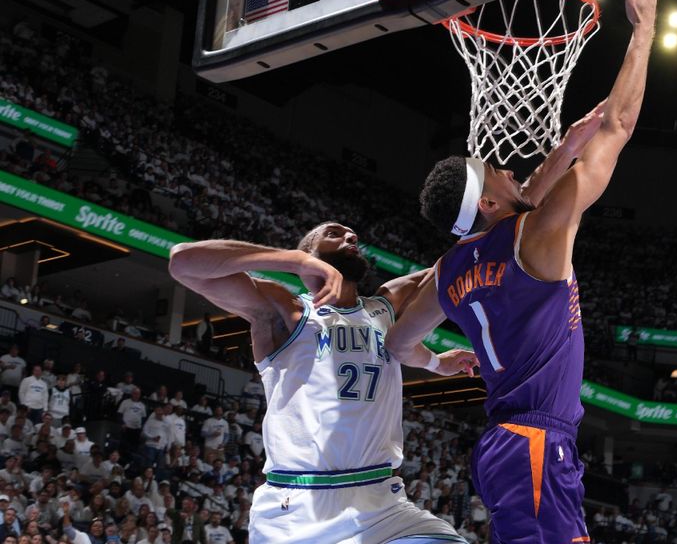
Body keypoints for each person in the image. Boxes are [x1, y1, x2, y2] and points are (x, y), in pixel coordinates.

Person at [384, 0, 664, 544]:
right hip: (534, 445)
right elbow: (621, 125)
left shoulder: (449, 270)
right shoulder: (532, 237)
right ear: (486, 205)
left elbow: (398, 342)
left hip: (511, 447)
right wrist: (643, 30)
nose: (510, 170)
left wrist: (438, 362)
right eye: (497, 175)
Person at [169, 222, 477, 544]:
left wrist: (436, 362)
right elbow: (183, 262)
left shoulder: (383, 306)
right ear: (308, 254)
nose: (350, 236)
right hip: (297, 508)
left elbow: (456, 265)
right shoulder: (286, 310)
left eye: (353, 235)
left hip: (381, 504)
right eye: (334, 233)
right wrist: (292, 261)